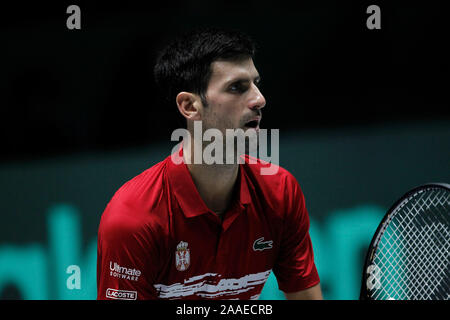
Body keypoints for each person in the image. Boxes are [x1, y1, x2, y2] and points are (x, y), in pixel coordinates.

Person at [97, 28, 322, 300]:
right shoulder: (133, 219)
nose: (259, 99)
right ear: (189, 106)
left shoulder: (280, 192)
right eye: (236, 87)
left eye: (256, 83)